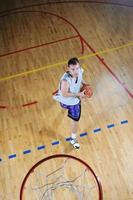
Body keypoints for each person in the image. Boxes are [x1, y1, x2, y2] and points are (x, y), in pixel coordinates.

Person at [53, 57, 87, 149]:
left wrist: (85, 85)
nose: (76, 71)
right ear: (68, 69)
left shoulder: (79, 71)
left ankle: (73, 138)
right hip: (67, 100)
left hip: (70, 101)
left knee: (74, 119)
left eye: (77, 68)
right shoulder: (65, 80)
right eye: (73, 69)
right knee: (75, 120)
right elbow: (64, 94)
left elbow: (81, 78)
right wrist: (79, 94)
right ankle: (73, 139)